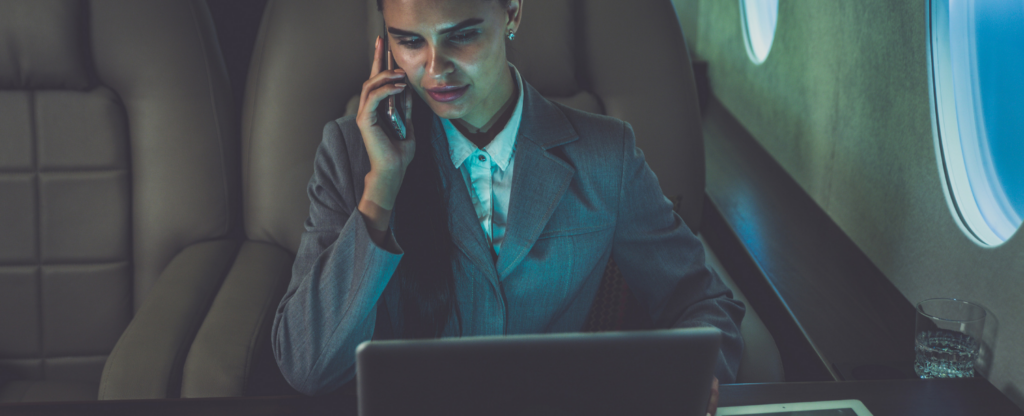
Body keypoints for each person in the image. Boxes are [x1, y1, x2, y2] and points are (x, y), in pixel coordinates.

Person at [271, 0, 744, 414]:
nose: (435, 69)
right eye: (410, 41)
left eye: (462, 36)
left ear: (512, 11)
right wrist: (382, 189)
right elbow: (307, 365)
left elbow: (701, 301)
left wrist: (697, 379)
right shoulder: (350, 155)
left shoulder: (606, 156)